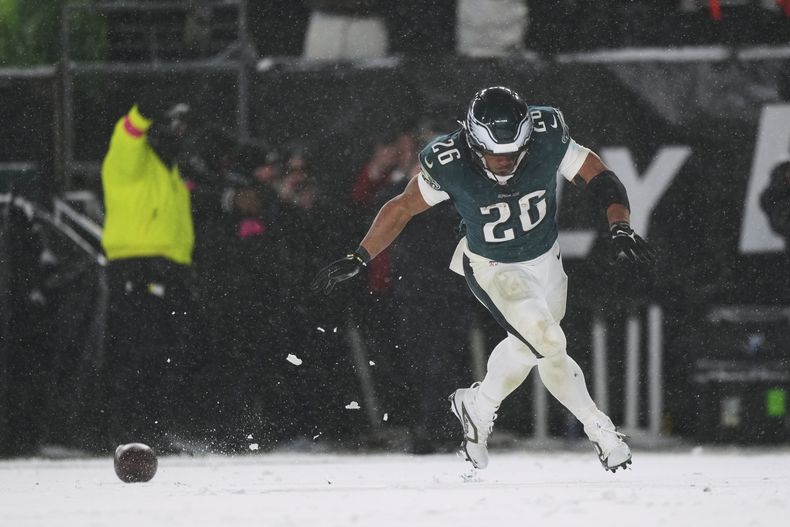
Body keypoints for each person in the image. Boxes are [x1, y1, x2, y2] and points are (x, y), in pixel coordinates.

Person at [311, 86, 655, 472]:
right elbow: (404, 205)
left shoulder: (547, 133)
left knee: (527, 348)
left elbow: (600, 176)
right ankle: (602, 431)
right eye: (494, 153)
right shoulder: (450, 159)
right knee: (547, 339)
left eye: (512, 153)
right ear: (473, 142)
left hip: (546, 260)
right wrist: (362, 254)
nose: (504, 163)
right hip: (493, 266)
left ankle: (478, 405)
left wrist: (620, 225)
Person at [100, 95, 201, 453]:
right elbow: (126, 134)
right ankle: (129, 432)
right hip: (136, 267)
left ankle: (152, 431)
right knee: (137, 350)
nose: (180, 136)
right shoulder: (128, 161)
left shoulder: (168, 170)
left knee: (164, 352)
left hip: (168, 268)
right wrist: (142, 113)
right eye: (174, 128)